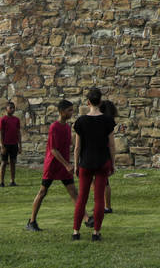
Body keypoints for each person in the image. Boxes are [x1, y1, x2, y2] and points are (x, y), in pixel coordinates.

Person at [26, 99, 85, 231]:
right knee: (42, 192)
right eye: (69, 110)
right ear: (62, 112)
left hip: (64, 166)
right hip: (53, 165)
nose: (72, 113)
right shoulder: (54, 127)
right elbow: (53, 149)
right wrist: (66, 164)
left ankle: (87, 219)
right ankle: (32, 221)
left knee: (73, 192)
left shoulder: (67, 127)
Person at [72, 88, 115, 241]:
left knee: (82, 198)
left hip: (86, 162)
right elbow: (111, 145)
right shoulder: (108, 121)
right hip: (102, 161)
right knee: (99, 199)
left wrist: (76, 164)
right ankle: (96, 233)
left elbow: (77, 147)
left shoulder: (81, 121)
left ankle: (76, 232)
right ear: (100, 101)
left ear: (88, 102)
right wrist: (113, 163)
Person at [99, 99, 122, 213]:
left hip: (100, 153)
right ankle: (106, 205)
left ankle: (105, 206)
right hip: (106, 153)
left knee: (102, 181)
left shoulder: (102, 122)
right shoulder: (109, 122)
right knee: (105, 181)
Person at [0, 101, 21, 187]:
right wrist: (2, 145)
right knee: (4, 162)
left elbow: (18, 132)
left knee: (13, 162)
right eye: (10, 108)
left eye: (13, 108)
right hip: (6, 144)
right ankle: (1, 182)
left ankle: (12, 180)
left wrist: (20, 145)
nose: (12, 109)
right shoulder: (3, 120)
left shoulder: (16, 120)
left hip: (14, 144)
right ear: (6, 109)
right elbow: (1, 133)